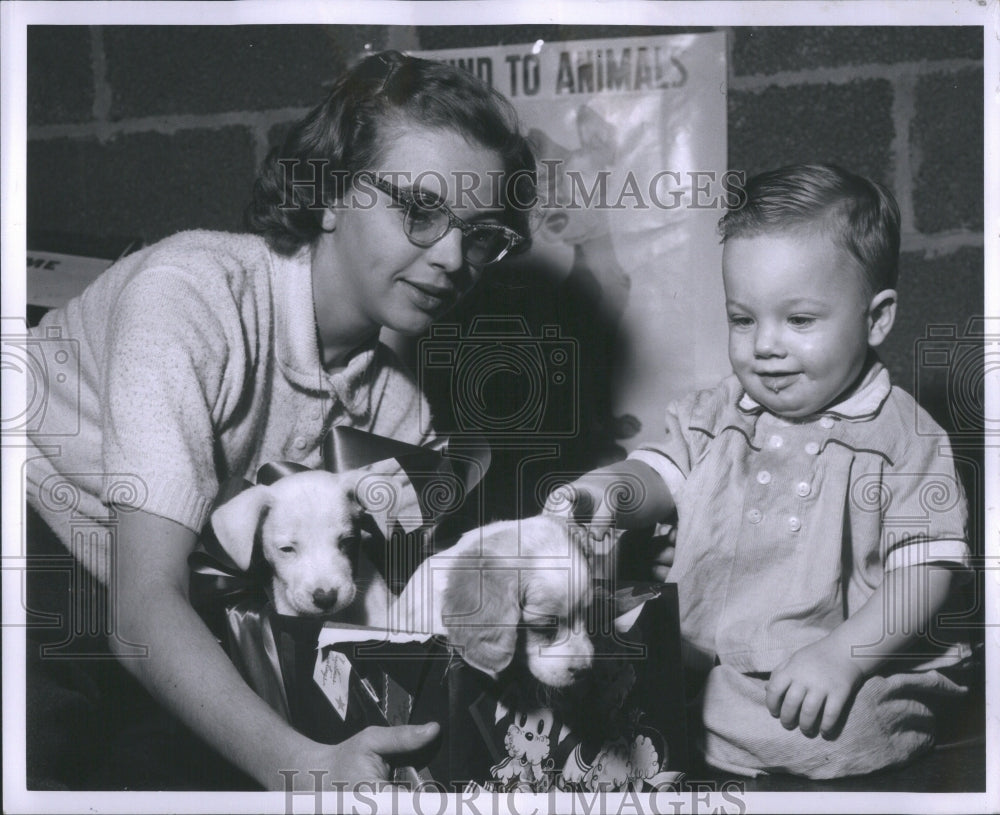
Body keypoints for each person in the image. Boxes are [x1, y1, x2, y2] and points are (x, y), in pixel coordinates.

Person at [24, 49, 536, 790]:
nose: (455, 256)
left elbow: (382, 619)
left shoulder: (402, 411)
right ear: (328, 195)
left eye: (482, 232)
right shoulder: (191, 296)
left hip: (177, 612)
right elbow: (140, 610)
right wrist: (301, 764)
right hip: (37, 545)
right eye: (421, 209)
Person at [547, 164, 971, 779]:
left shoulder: (903, 438)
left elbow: (923, 577)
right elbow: (660, 473)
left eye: (799, 320)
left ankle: (683, 725)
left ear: (875, 320)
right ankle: (675, 714)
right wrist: (607, 492)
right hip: (705, 650)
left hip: (846, 657)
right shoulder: (717, 413)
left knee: (834, 731)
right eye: (743, 319)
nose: (764, 345)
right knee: (593, 656)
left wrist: (842, 657)